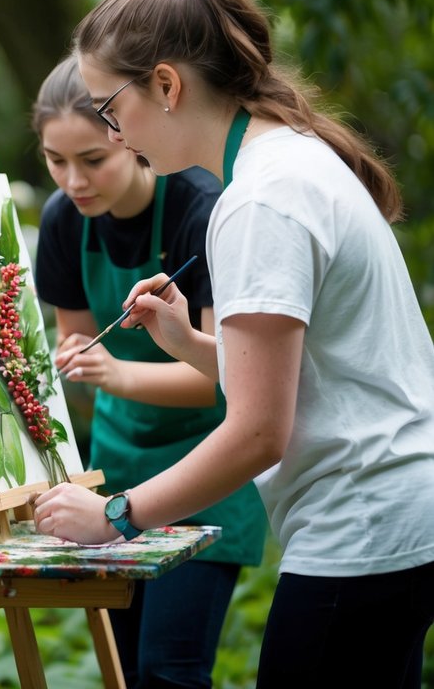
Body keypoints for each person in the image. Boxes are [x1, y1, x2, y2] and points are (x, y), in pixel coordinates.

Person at [32, 0, 434, 688]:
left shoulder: (257, 202)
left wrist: (114, 517)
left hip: (364, 523)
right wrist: (186, 341)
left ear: (165, 85)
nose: (114, 136)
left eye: (109, 110)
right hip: (395, 516)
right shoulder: (286, 161)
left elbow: (256, 430)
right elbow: (301, 381)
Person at [33, 52, 266, 687]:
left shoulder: (201, 206)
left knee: (170, 670)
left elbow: (221, 377)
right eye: (56, 162)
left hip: (207, 469)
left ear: (124, 136)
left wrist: (114, 376)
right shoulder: (62, 221)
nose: (74, 181)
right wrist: (74, 368)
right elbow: (75, 346)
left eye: (92, 160)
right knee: (124, 670)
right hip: (113, 472)